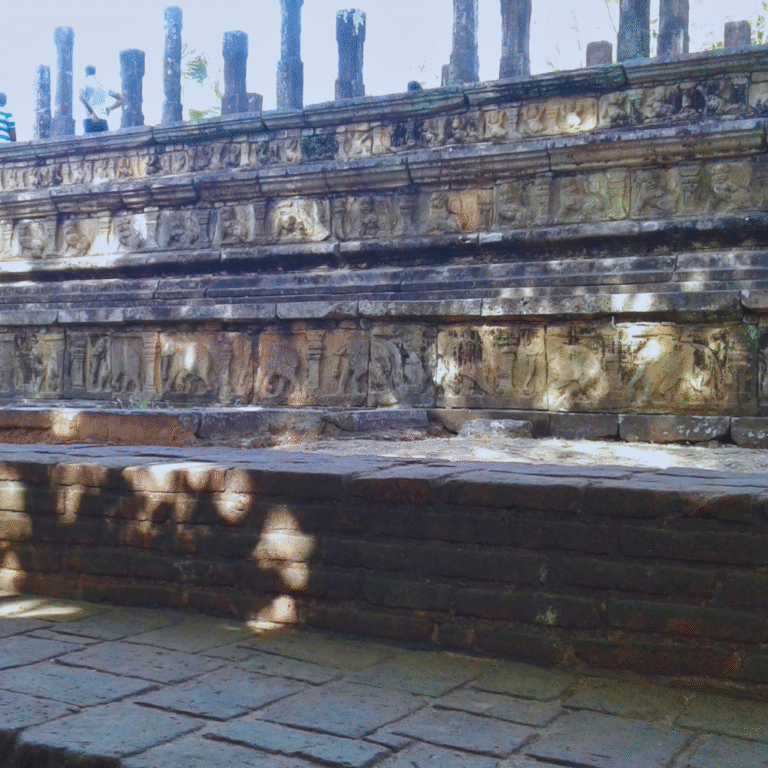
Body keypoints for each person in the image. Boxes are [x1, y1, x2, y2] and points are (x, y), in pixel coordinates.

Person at [79, 66, 124, 133]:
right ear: (94, 72)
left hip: (90, 118)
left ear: (86, 72)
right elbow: (121, 99)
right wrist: (109, 109)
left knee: (90, 139)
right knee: (104, 139)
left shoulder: (84, 82)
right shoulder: (104, 84)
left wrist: (92, 113)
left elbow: (82, 98)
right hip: (103, 119)